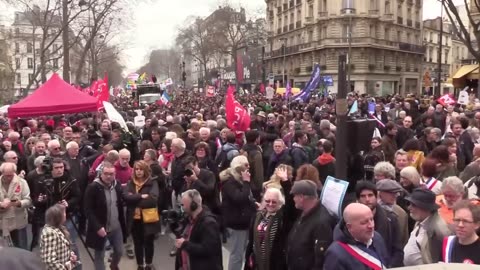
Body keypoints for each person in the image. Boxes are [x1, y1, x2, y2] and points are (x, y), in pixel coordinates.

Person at [84, 162, 126, 270]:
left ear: (115, 174)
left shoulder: (117, 185)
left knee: (119, 251)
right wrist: (97, 227)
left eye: (111, 174)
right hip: (101, 228)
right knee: (99, 255)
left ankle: (113, 266)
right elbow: (88, 210)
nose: (108, 176)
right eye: (106, 173)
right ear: (101, 173)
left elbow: (121, 203)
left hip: (116, 227)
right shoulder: (93, 187)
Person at [324, 203, 390, 270]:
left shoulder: (377, 238)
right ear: (349, 227)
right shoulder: (335, 254)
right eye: (364, 222)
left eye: (372, 219)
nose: (371, 226)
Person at [286, 180, 335, 270]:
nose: (293, 199)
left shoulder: (321, 222)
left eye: (294, 196)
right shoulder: (305, 213)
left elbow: (320, 260)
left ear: (301, 197)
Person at [245, 184, 295, 270]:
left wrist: (286, 183)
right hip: (255, 263)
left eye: (274, 201)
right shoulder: (257, 216)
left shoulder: (282, 218)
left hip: (274, 264)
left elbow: (291, 205)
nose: (270, 204)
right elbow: (251, 241)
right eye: (268, 201)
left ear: (280, 202)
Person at [220, 155, 256, 270]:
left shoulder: (238, 180)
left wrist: (254, 203)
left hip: (243, 222)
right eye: (246, 164)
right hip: (236, 224)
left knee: (241, 253)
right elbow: (239, 198)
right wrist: (246, 182)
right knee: (237, 255)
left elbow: (247, 197)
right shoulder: (230, 182)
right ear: (239, 167)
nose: (248, 167)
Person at [124, 160, 161, 270]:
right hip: (135, 219)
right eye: (136, 169)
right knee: (137, 242)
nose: (138, 172)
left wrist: (134, 198)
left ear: (145, 170)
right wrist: (141, 196)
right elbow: (125, 197)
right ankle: (140, 265)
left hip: (148, 218)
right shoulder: (131, 182)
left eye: (141, 169)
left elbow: (152, 200)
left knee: (149, 242)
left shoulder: (152, 182)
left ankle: (149, 264)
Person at [174, 189, 223, 270]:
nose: (182, 208)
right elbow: (182, 236)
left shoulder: (209, 224)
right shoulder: (189, 219)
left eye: (184, 205)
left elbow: (208, 250)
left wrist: (185, 245)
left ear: (193, 205)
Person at [403, 188, 452, 266]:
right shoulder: (419, 222)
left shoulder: (437, 232)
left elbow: (435, 262)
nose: (409, 208)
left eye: (414, 205)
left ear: (426, 208)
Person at [0, 162, 31, 250]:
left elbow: (28, 200)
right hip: (3, 223)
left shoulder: (22, 182)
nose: (9, 177)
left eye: (11, 175)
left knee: (22, 248)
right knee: (4, 251)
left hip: (18, 221)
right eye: (6, 175)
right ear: (2, 173)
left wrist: (19, 203)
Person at [40, 204, 78, 270]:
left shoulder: (60, 228)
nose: (66, 215)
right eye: (64, 213)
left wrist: (71, 256)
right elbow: (50, 261)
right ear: (58, 217)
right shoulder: (50, 233)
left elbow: (63, 247)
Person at [442, 200, 480, 264]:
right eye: (457, 220)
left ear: (477, 225)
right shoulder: (448, 243)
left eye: (465, 221)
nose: (460, 225)